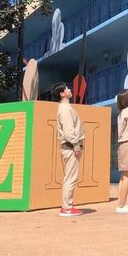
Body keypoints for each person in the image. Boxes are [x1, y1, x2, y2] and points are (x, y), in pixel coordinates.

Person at [53, 82, 84, 217]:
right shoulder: (65, 109)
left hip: (69, 147)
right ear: (62, 93)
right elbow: (69, 130)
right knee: (70, 178)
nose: (69, 89)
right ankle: (67, 207)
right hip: (70, 147)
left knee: (69, 177)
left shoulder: (64, 108)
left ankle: (67, 206)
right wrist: (76, 145)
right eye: (66, 89)